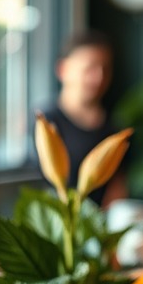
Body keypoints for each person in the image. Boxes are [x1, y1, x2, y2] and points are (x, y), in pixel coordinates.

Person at [36, 29, 126, 205]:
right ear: (63, 70)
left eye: (105, 69)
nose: (99, 78)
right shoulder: (45, 122)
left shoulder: (115, 127)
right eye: (89, 68)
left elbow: (118, 187)